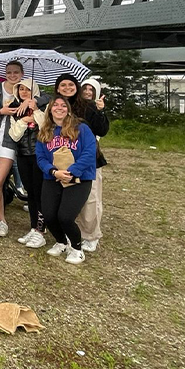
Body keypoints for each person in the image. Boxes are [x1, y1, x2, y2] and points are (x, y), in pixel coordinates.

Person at [0, 61, 39, 238]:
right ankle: (2, 220)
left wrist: (32, 102)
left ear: (22, 73)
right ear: (5, 73)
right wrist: (0, 112)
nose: (12, 75)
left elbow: (46, 99)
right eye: (9, 72)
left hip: (9, 142)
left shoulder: (25, 91)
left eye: (16, 72)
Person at [35, 96, 97, 264]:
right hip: (53, 177)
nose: (59, 108)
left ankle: (77, 248)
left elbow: (90, 152)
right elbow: (40, 157)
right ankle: (61, 241)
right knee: (48, 214)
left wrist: (71, 172)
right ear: (50, 110)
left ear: (68, 109)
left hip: (78, 178)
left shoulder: (82, 129)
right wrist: (54, 172)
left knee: (65, 216)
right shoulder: (45, 131)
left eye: (63, 105)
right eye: (55, 105)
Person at [60, 75, 110, 252]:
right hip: (66, 159)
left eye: (92, 89)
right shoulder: (61, 105)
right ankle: (74, 231)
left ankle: (91, 234)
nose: (88, 92)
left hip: (89, 159)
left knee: (91, 198)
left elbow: (102, 130)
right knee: (72, 197)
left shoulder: (90, 107)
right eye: (86, 88)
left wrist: (100, 111)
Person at [7, 79, 49, 248]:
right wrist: (24, 120)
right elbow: (14, 135)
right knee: (30, 193)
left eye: (28, 89)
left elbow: (46, 126)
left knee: (39, 193)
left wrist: (36, 111)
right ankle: (34, 227)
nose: (24, 92)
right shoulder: (15, 109)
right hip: (23, 155)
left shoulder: (44, 107)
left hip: (40, 156)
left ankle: (41, 230)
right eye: (21, 89)